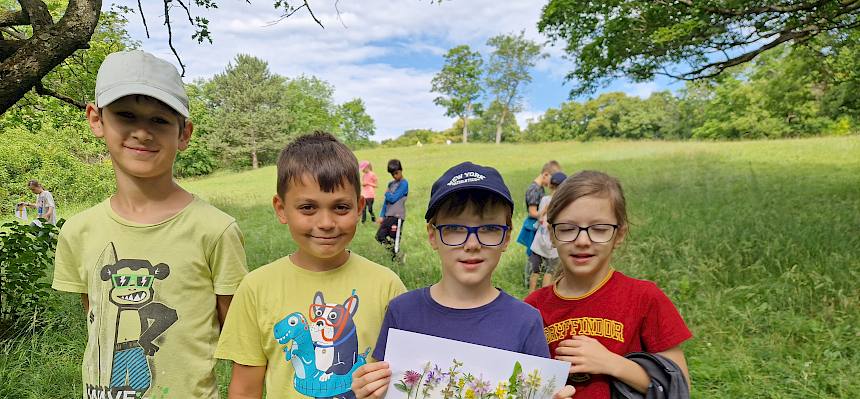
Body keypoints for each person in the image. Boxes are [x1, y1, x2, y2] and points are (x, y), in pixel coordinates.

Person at [51, 50, 248, 399]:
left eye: (159, 120)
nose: (142, 132)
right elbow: (97, 318)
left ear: (184, 133)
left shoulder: (216, 230)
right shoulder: (78, 231)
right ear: (96, 120)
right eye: (125, 115)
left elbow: (241, 340)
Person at [351, 162, 574, 399]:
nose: (472, 244)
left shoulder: (526, 321)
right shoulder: (402, 312)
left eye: (489, 228)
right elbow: (381, 386)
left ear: (506, 237)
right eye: (455, 228)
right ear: (433, 236)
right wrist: (368, 390)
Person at [215, 132, 407, 398]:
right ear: (281, 209)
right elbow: (244, 389)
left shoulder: (388, 286)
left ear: (360, 207)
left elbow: (405, 380)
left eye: (340, 207)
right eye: (308, 207)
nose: (326, 222)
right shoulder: (255, 288)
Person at [525, 170, 692, 398]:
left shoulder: (644, 298)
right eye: (567, 229)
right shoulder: (532, 308)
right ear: (552, 234)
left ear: (619, 234)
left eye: (599, 229)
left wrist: (612, 364)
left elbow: (679, 388)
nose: (582, 241)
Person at [517, 161, 561, 285]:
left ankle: (533, 278)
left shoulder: (539, 188)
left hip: (538, 225)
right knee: (533, 256)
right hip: (533, 225)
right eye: (551, 179)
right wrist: (545, 213)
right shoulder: (534, 189)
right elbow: (532, 212)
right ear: (545, 174)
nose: (550, 184)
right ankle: (527, 281)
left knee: (536, 256)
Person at [528, 171, 566, 292]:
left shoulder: (544, 199)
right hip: (552, 243)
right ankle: (545, 298)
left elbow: (539, 217)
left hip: (539, 241)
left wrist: (543, 212)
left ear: (550, 185)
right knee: (549, 272)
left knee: (535, 271)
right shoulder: (563, 203)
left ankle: (530, 296)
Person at [376, 159, 408, 258]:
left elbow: (393, 198)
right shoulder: (391, 184)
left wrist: (386, 193)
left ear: (401, 170)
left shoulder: (404, 183)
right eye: (392, 174)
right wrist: (381, 215)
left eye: (396, 173)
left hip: (397, 216)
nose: (395, 176)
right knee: (379, 236)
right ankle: (394, 254)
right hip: (388, 216)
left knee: (395, 239)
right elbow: (386, 202)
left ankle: (397, 259)